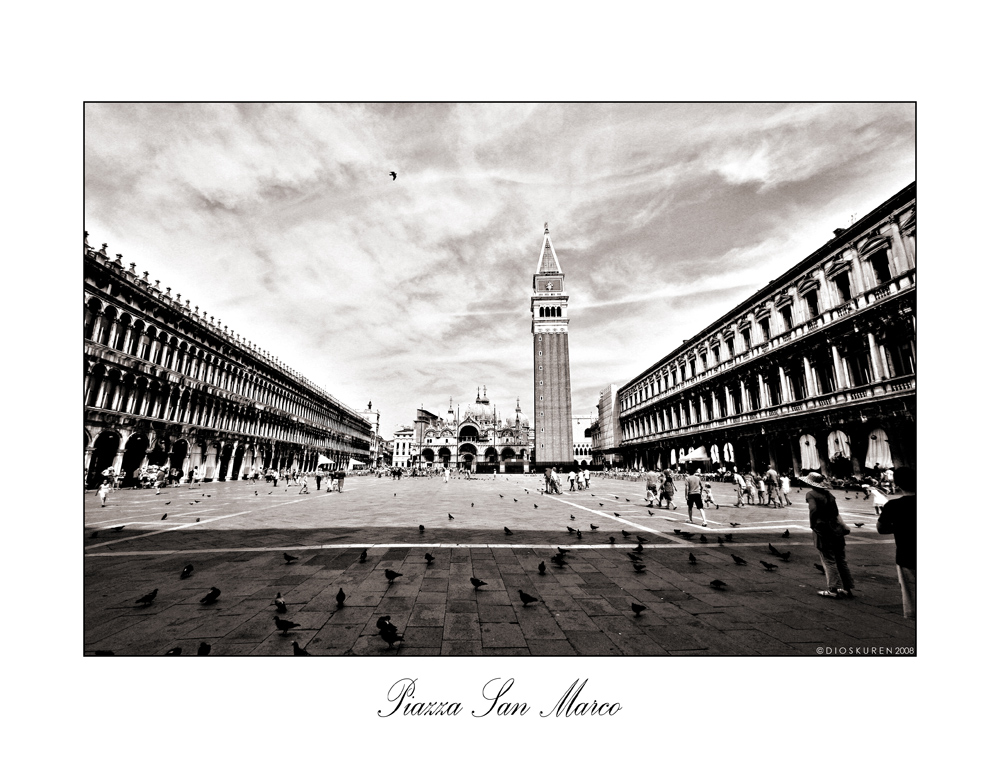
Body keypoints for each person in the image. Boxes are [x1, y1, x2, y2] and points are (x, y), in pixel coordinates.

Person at [804, 472, 854, 598]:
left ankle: (833, 589)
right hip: (836, 529)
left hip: (823, 529)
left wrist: (812, 524)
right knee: (841, 560)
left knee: (829, 560)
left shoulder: (811, 494)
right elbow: (836, 513)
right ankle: (847, 588)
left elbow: (813, 510)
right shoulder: (829, 495)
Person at [877, 467, 916, 619]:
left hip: (906, 556)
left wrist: (900, 527)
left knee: (911, 594)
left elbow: (881, 529)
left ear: (898, 484)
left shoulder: (893, 506)